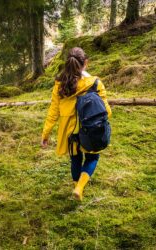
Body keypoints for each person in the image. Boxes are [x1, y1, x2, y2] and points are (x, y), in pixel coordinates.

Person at [41, 47, 112, 201]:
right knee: (92, 158)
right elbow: (107, 111)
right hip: (90, 130)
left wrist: (46, 134)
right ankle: (80, 188)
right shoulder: (95, 83)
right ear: (85, 63)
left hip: (70, 132)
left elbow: (53, 112)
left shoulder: (60, 84)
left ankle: (76, 187)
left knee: (75, 159)